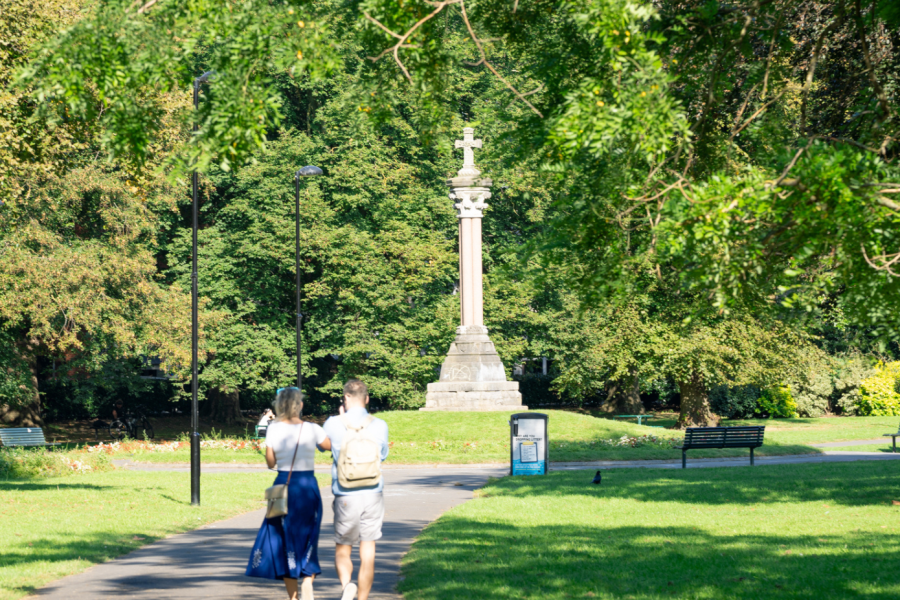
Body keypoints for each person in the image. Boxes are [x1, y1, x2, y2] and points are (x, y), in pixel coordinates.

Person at [246, 387, 332, 600]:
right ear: (300, 405)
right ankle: (309, 582)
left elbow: (270, 463)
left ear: (279, 406)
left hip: (281, 484)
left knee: (280, 538)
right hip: (307, 485)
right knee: (309, 533)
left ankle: (293, 597)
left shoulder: (273, 429)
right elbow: (330, 446)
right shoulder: (312, 429)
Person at [323, 379, 389, 600]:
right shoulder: (380, 424)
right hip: (373, 492)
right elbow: (383, 455)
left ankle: (346, 586)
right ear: (367, 398)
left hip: (345, 492)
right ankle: (362, 598)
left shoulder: (332, 423)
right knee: (368, 551)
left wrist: (340, 417)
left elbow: (323, 448)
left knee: (343, 546)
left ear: (346, 397)